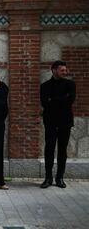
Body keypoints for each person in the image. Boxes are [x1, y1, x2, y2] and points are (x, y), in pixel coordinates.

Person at [40, 60, 76, 189]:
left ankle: (60, 177)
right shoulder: (44, 86)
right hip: (50, 122)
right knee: (49, 149)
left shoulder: (70, 84)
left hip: (65, 122)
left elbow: (70, 100)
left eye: (65, 70)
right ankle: (48, 178)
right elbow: (45, 103)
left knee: (62, 150)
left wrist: (53, 99)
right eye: (62, 70)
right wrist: (62, 98)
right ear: (54, 70)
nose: (64, 72)